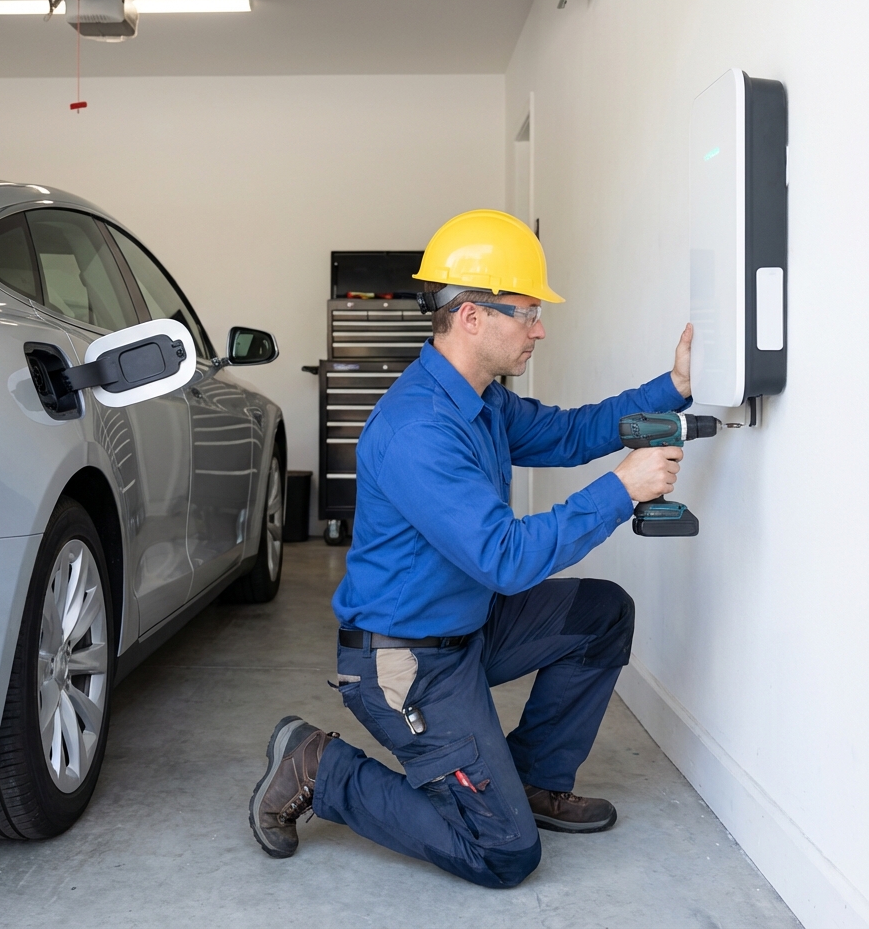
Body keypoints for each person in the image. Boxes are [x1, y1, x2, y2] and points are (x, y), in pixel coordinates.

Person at [250, 209, 693, 888]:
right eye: (527, 312)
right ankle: (319, 765)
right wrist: (622, 489)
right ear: (471, 317)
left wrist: (677, 387)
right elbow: (505, 557)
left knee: (601, 614)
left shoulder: (482, 401)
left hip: (470, 627)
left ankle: (535, 780)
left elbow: (573, 435)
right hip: (405, 664)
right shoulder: (419, 429)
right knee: (503, 852)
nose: (540, 329)